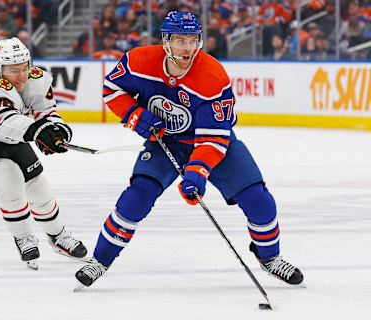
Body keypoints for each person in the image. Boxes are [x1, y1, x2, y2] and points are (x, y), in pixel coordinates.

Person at [75, 12, 304, 289]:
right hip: (165, 142)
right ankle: (100, 261)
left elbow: (214, 137)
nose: (187, 48)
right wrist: (137, 116)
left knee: (260, 202)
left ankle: (269, 258)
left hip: (212, 144)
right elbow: (113, 89)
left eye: (192, 40)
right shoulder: (139, 61)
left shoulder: (212, 75)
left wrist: (198, 171)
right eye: (180, 40)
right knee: (136, 198)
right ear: (166, 41)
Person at [0, 37, 88, 269]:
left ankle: (58, 236)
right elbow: (5, 123)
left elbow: (43, 109)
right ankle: (23, 237)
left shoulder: (36, 77)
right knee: (9, 176)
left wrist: (55, 129)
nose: (22, 76)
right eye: (13, 70)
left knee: (37, 183)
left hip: (10, 133)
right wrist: (38, 132)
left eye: (25, 67)